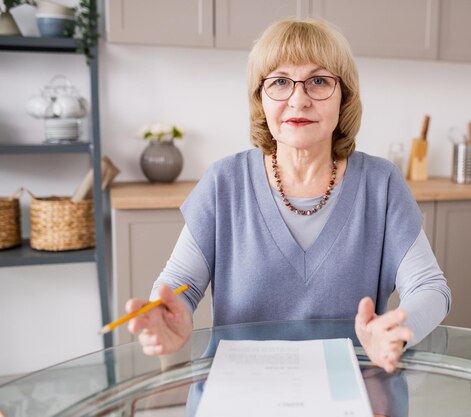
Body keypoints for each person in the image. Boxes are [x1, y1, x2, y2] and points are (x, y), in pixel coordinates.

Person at [126, 18, 451, 375]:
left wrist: (396, 333)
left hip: (354, 391)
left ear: (344, 97)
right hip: (240, 391)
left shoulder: (382, 184)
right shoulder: (224, 182)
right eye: (280, 81)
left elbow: (429, 288)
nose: (299, 99)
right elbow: (178, 288)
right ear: (260, 97)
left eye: (319, 81)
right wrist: (169, 316)